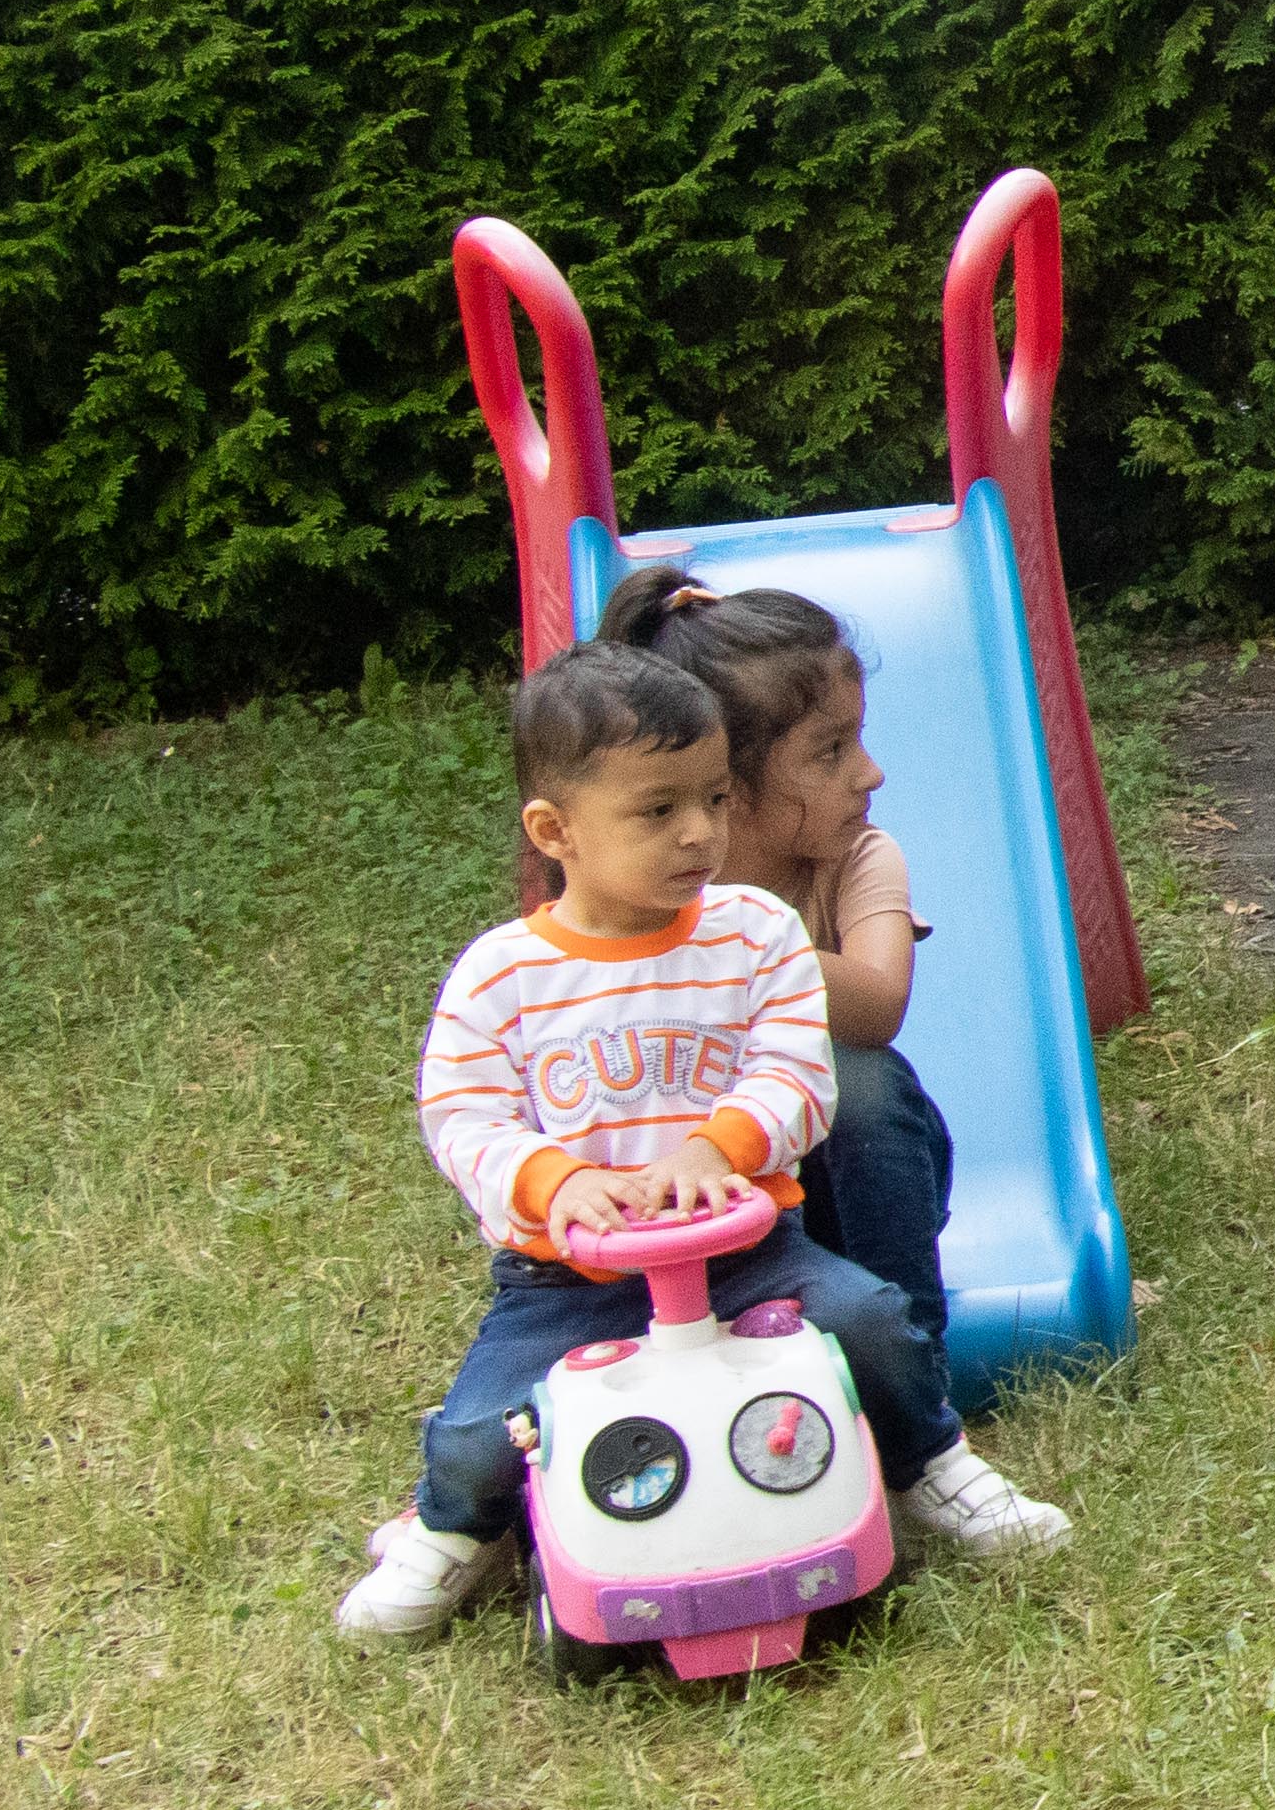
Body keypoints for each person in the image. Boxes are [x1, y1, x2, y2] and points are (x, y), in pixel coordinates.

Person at [337, 645, 1066, 1644]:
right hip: (566, 1281)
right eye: (658, 810)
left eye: (715, 800)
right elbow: (463, 1116)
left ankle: (932, 1466)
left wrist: (719, 1147)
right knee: (480, 1428)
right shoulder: (501, 975)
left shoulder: (754, 934)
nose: (700, 832)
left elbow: (799, 1075)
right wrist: (554, 1181)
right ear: (555, 832)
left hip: (751, 1254)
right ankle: (451, 1531)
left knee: (869, 1322)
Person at [590, 569, 955, 1393]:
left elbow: (878, 1007)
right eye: (830, 751)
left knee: (858, 1079)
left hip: (840, 1193)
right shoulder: (630, 896)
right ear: (727, 783)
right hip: (691, 1199)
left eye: (857, 739)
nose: (870, 773)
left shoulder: (858, 859)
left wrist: (731, 941)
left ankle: (912, 1369)